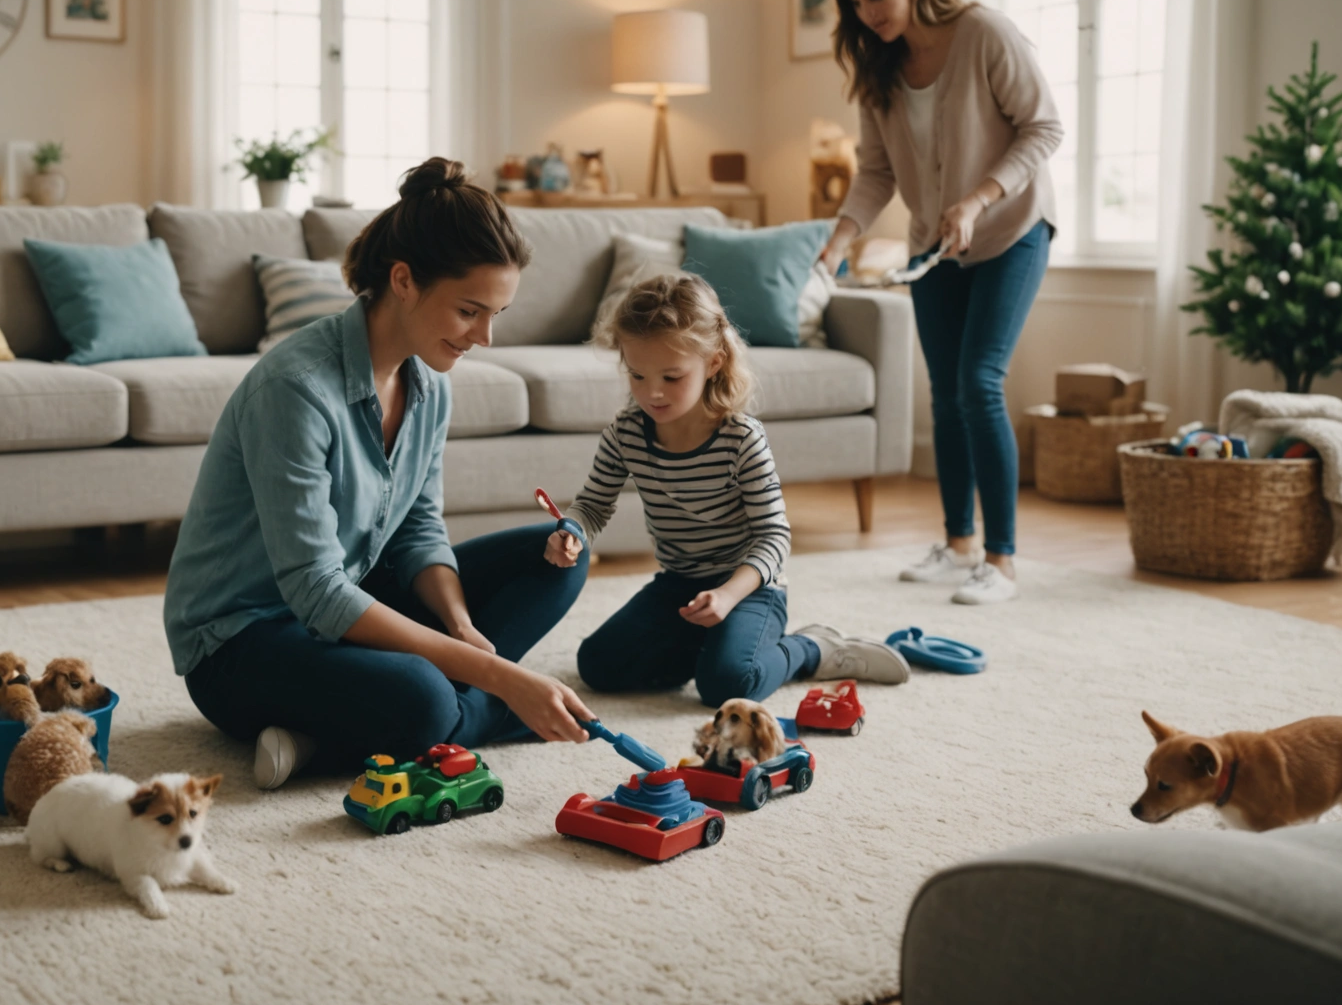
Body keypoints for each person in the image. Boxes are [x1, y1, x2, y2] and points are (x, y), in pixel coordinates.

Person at [165, 157, 595, 790]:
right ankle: (440, 716)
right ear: (403, 280)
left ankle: (325, 738)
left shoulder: (428, 380)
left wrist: (459, 626)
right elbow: (315, 590)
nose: (485, 338)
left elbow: (419, 526)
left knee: (557, 558)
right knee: (423, 697)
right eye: (470, 311)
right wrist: (499, 674)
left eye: (495, 315)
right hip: (244, 642)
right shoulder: (296, 389)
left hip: (350, 600)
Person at [817, 0, 1063, 605]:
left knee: (979, 380)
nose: (869, 14)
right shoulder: (879, 67)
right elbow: (875, 173)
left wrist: (978, 199)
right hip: (936, 245)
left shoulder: (984, 33)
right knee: (946, 393)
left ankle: (1001, 560)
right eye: (856, 3)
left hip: (1012, 229)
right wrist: (839, 238)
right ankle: (957, 546)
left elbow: (1044, 126)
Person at [557, 273, 910, 706]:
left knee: (725, 686)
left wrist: (727, 595)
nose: (652, 392)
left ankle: (812, 648)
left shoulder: (740, 438)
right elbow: (592, 505)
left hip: (750, 588)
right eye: (636, 374)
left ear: (713, 363)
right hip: (679, 585)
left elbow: (774, 537)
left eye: (671, 377)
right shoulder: (626, 432)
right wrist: (572, 531)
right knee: (597, 665)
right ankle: (712, 647)